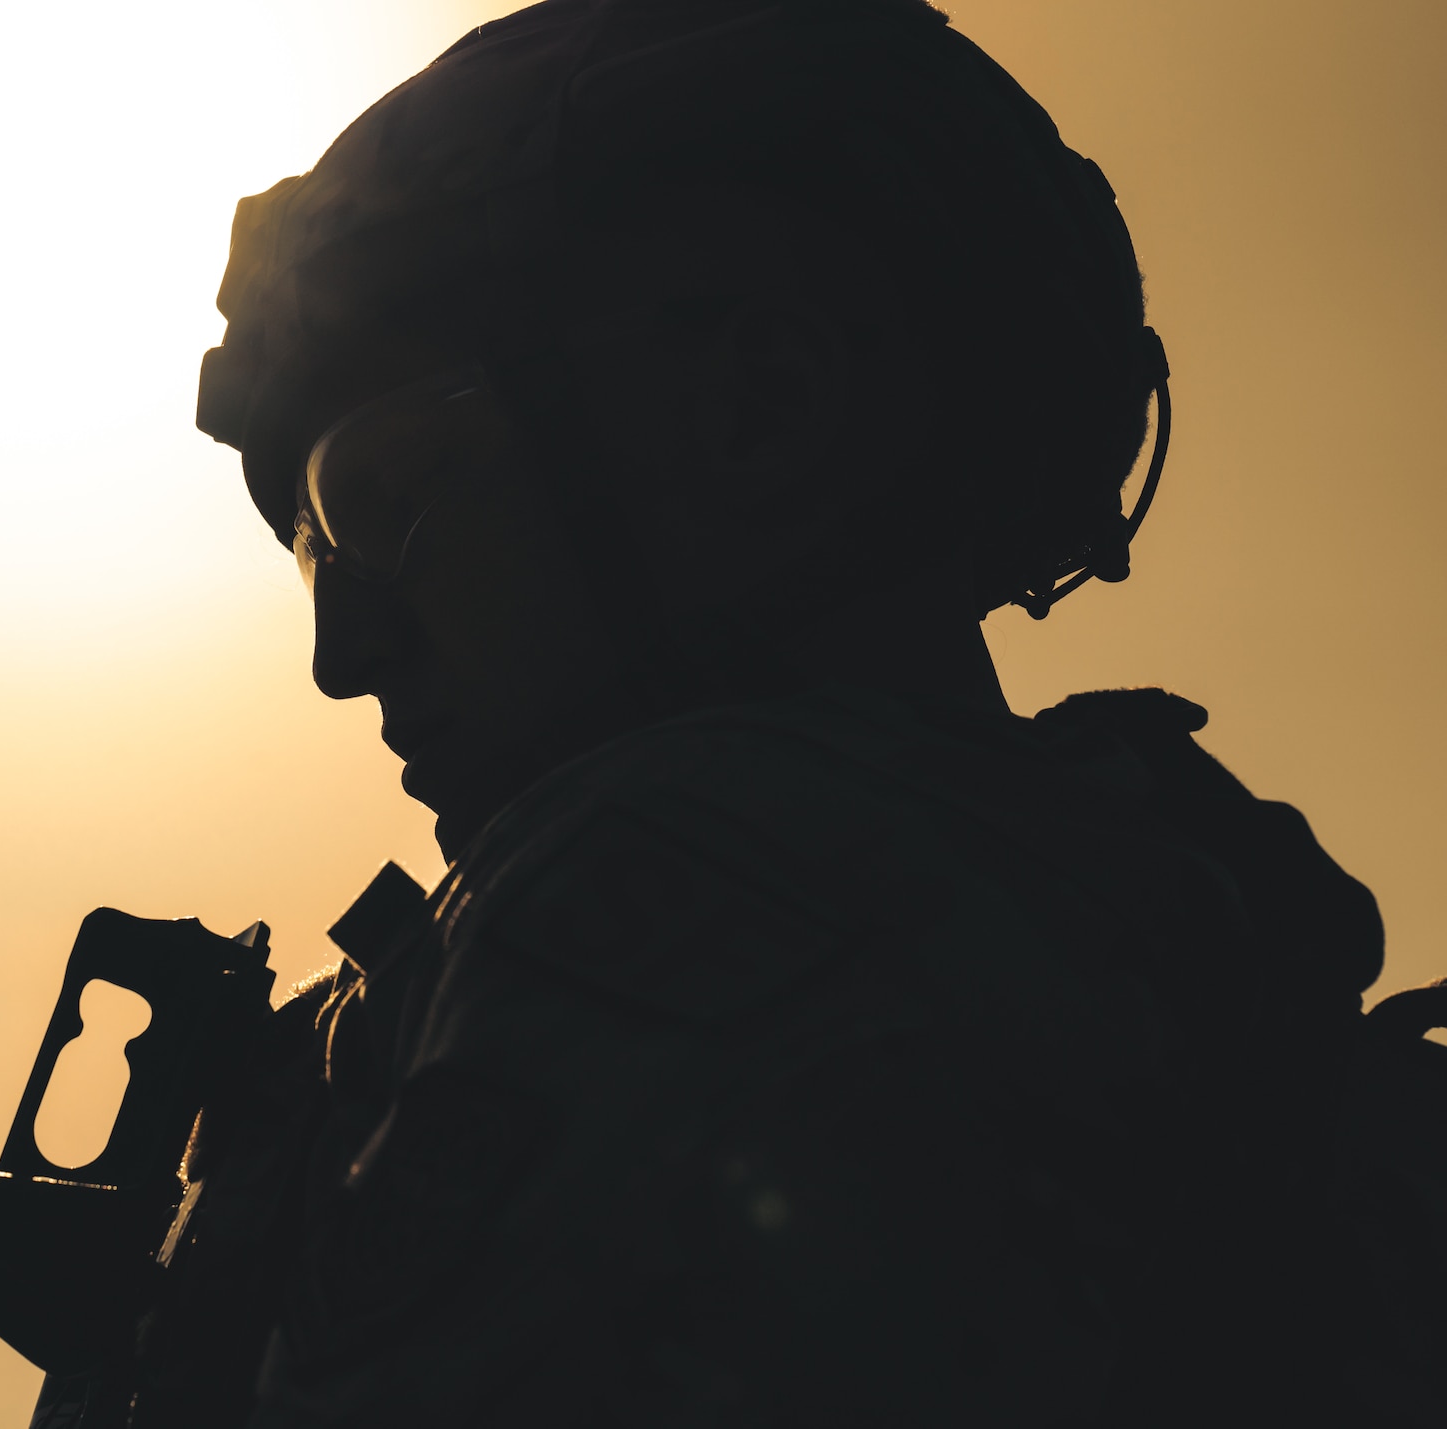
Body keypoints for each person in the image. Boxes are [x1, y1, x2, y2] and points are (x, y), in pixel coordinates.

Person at [133, 2, 1435, 1424]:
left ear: (760, 407)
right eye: (316, 561)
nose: (343, 654)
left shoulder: (675, 863)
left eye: (383, 505)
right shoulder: (1142, 920)